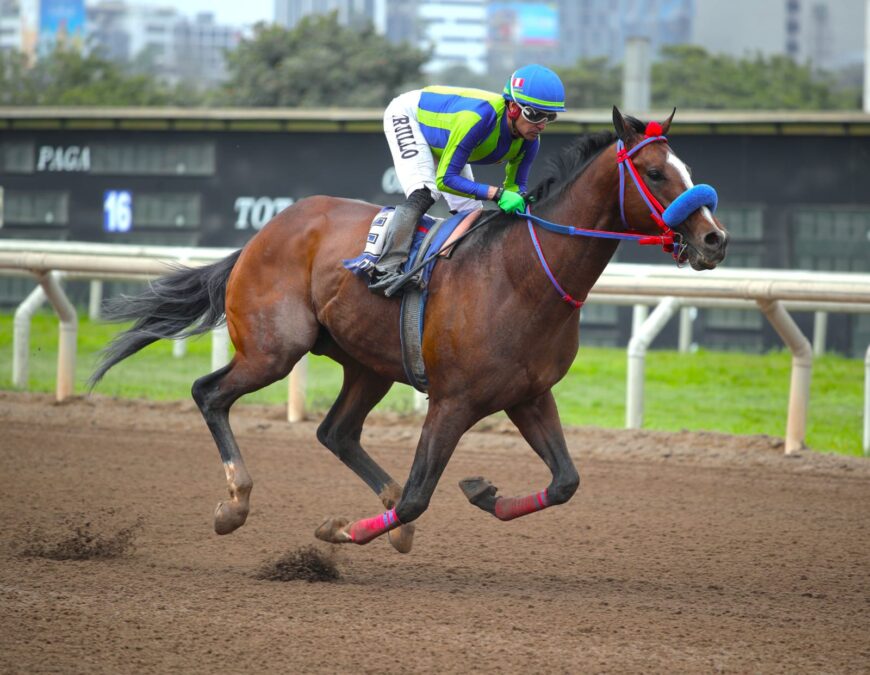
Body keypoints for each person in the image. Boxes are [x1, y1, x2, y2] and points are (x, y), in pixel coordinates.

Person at [369, 63, 566, 294]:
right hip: (409, 115)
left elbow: (515, 188)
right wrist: (497, 194)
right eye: (535, 115)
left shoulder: (530, 142)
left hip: (447, 134)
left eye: (549, 117)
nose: (541, 125)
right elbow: (445, 180)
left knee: (473, 214)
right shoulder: (478, 120)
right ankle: (385, 269)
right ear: (513, 108)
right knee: (425, 192)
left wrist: (521, 201)